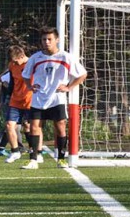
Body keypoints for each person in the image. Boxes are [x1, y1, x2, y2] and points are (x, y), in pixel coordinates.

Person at [21, 26, 87, 170]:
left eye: (49, 39)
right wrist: (30, 86)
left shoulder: (65, 57)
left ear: (56, 40)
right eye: (44, 39)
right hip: (39, 98)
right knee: (34, 127)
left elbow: (82, 74)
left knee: (60, 126)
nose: (46, 42)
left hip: (57, 98)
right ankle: (33, 159)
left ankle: (61, 159)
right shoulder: (35, 57)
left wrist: (69, 87)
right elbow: (25, 75)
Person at [3, 46, 35, 164]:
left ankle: (35, 151)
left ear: (22, 56)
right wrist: (7, 96)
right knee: (9, 125)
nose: (14, 63)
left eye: (16, 61)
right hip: (15, 100)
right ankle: (15, 152)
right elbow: (12, 82)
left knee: (30, 126)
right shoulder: (12, 65)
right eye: (12, 61)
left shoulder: (32, 64)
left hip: (30, 100)